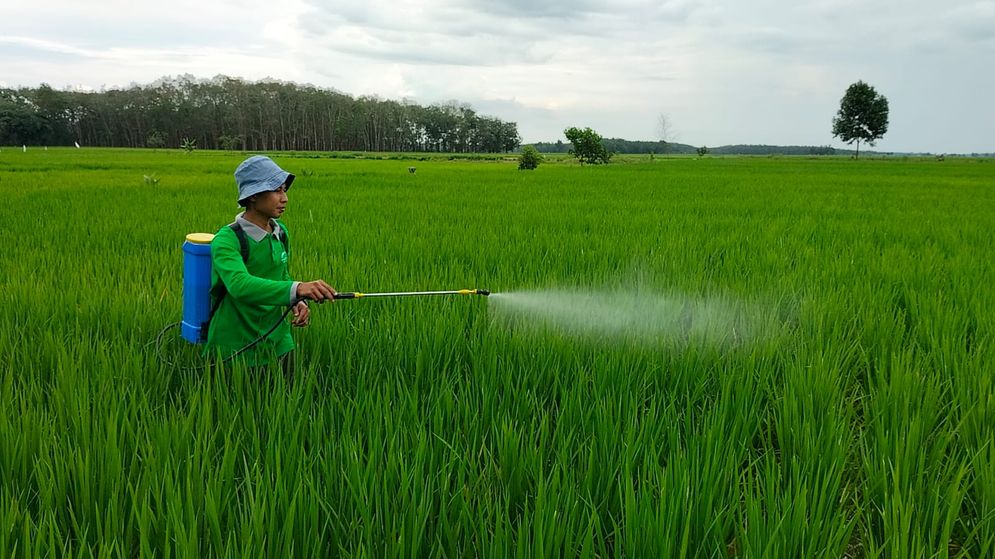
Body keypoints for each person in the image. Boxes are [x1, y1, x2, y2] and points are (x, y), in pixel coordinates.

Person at [204, 155, 336, 377]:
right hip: (236, 346)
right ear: (254, 195)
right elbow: (239, 285)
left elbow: (281, 276)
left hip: (278, 340)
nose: (284, 198)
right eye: (277, 190)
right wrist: (297, 288)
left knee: (286, 402)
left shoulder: (280, 232)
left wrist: (296, 300)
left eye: (284, 190)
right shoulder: (227, 240)